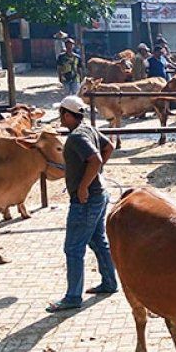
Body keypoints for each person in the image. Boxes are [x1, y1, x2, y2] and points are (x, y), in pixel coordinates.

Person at [46, 95, 118, 313]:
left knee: (73, 248)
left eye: (61, 115)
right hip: (100, 195)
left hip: (86, 200)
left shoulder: (77, 137)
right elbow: (109, 147)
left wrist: (84, 185)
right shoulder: (89, 129)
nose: (60, 119)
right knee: (98, 241)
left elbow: (95, 158)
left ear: (68, 115)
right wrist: (95, 174)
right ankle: (109, 282)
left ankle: (73, 297)